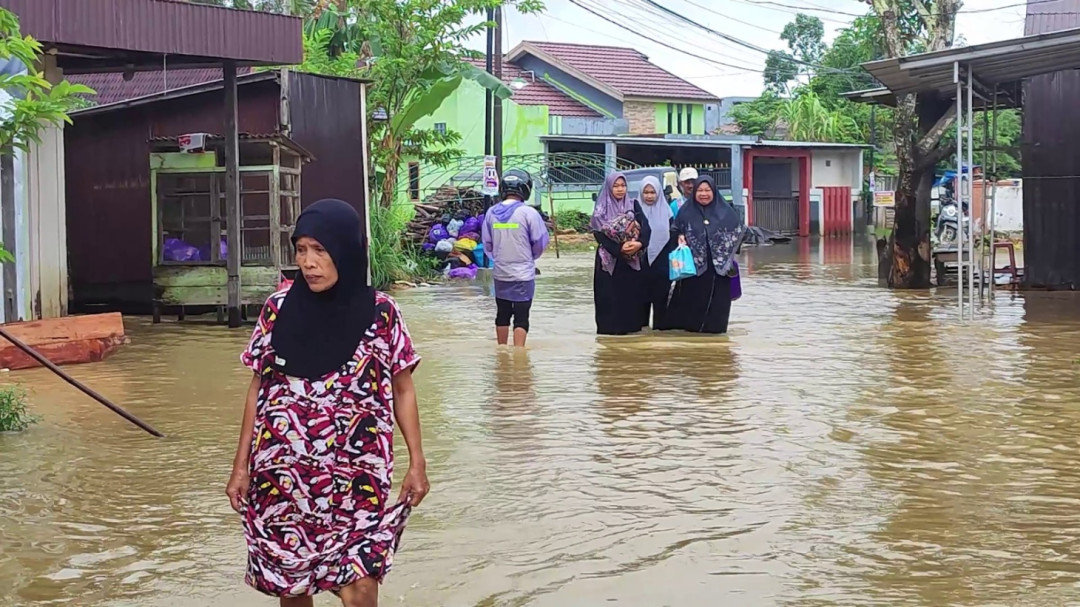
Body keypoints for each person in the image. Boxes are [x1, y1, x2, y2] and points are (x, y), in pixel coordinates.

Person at [226, 199, 429, 607]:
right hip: (282, 476)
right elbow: (258, 388)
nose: (309, 262)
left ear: (345, 250)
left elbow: (403, 388)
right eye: (301, 250)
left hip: (357, 477)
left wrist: (417, 461)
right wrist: (240, 466)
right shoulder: (277, 310)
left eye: (320, 250)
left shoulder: (382, 314)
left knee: (360, 587)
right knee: (293, 587)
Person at [667, 176, 745, 334]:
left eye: (707, 190)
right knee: (692, 313)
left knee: (717, 314)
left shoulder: (726, 211)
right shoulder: (686, 211)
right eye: (700, 190)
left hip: (719, 272)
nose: (703, 194)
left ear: (714, 192)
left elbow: (738, 231)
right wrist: (680, 235)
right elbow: (674, 230)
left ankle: (716, 348)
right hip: (693, 272)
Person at [481, 168, 550, 347]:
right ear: (526, 188)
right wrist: (529, 258)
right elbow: (540, 242)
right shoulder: (529, 213)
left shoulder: (491, 213)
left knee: (502, 314)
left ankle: (501, 351)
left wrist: (499, 258)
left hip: (501, 272)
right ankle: (519, 355)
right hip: (523, 274)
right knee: (521, 317)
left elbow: (487, 244)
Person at [591, 171, 651, 335]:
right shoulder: (600, 210)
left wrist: (639, 243)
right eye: (616, 186)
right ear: (609, 188)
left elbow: (646, 228)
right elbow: (599, 234)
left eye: (623, 185)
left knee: (630, 300)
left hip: (631, 260)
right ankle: (609, 336)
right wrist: (618, 249)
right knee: (608, 300)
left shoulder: (634, 205)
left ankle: (631, 335)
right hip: (608, 262)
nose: (620, 189)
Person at [638, 175, 675, 330]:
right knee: (640, 306)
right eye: (646, 192)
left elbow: (673, 240)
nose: (649, 196)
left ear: (659, 193)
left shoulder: (668, 214)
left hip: (662, 268)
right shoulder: (634, 213)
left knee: (661, 307)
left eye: (652, 192)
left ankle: (660, 341)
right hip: (640, 266)